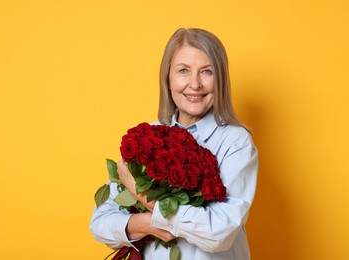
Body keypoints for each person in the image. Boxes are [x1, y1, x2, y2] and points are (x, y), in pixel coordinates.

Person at [90, 28, 258, 259]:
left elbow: (220, 233)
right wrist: (146, 224)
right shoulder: (146, 137)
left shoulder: (235, 141)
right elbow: (100, 223)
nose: (195, 84)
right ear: (167, 78)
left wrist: (145, 198)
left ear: (221, 80)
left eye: (207, 72)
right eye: (183, 71)